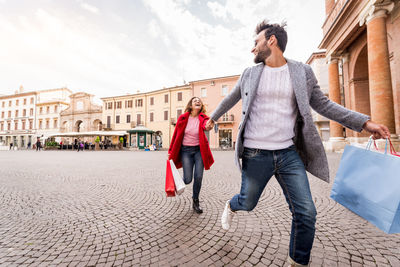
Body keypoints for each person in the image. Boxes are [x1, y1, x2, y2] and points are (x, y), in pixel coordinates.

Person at [205, 20, 390, 267]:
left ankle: (297, 261)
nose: (253, 48)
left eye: (256, 42)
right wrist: (213, 118)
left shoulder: (302, 72)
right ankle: (232, 204)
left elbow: (324, 105)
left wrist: (364, 123)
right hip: (255, 153)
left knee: (306, 213)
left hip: (288, 153)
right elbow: (230, 98)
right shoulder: (250, 74)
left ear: (272, 41)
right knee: (247, 202)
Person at [168, 97, 214, 214]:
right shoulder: (183, 118)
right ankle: (178, 184)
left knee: (198, 177)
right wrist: (170, 150)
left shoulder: (203, 118)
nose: (198, 101)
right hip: (186, 151)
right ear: (190, 105)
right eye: (195, 101)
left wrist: (208, 126)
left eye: (199, 101)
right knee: (188, 179)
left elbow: (205, 125)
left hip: (199, 151)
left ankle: (195, 200)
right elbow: (176, 135)